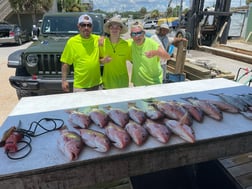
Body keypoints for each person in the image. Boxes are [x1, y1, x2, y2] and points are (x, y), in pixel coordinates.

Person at [61, 14, 102, 92]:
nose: (86, 28)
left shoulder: (97, 39)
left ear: (92, 27)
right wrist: (64, 80)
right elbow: (65, 63)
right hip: (80, 87)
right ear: (78, 26)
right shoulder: (72, 42)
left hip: (97, 85)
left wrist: (103, 38)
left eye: (89, 25)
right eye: (83, 25)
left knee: (97, 105)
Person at [129, 22, 171, 86]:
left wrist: (155, 52)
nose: (137, 36)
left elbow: (167, 56)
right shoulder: (130, 44)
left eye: (139, 33)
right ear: (131, 36)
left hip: (153, 83)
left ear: (143, 33)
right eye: (134, 34)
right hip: (138, 83)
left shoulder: (152, 43)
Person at [99, 17, 131, 89]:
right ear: (109, 29)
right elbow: (96, 60)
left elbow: (135, 60)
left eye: (117, 27)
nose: (114, 29)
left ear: (121, 29)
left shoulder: (126, 45)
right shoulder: (102, 43)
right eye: (112, 27)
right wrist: (102, 61)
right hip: (107, 83)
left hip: (123, 83)